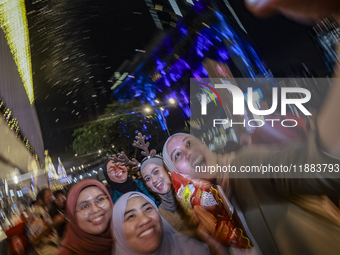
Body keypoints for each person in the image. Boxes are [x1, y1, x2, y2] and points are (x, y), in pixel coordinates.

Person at [112, 191, 211, 255]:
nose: (145, 220)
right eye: (130, 216)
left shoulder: (193, 249)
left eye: (147, 209)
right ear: (119, 232)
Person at [141, 155, 199, 237]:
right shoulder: (159, 216)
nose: (154, 180)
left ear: (167, 170)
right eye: (147, 179)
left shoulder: (194, 191)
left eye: (156, 172)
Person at [55, 179, 114, 255]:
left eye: (100, 199)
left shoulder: (126, 233)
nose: (95, 210)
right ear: (73, 217)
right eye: (84, 206)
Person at [26, 188, 63, 255]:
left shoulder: (44, 210)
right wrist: (53, 225)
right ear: (40, 200)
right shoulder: (34, 213)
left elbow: (47, 229)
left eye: (51, 196)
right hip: (46, 251)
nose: (51, 199)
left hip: (54, 249)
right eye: (48, 197)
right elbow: (33, 239)